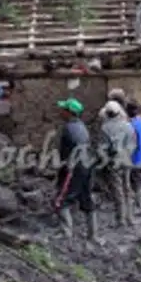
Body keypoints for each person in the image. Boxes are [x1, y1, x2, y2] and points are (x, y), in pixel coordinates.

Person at [53, 98, 102, 244]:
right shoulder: (82, 127)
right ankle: (93, 235)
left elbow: (66, 153)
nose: (60, 112)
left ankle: (66, 234)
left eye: (63, 109)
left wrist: (63, 170)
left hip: (75, 168)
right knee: (87, 199)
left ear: (69, 112)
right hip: (87, 166)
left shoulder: (69, 128)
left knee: (61, 201)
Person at [98, 100, 137, 227]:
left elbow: (102, 148)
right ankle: (130, 218)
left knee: (117, 190)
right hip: (127, 160)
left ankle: (121, 219)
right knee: (127, 188)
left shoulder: (105, 128)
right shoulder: (128, 126)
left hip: (113, 162)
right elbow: (133, 144)